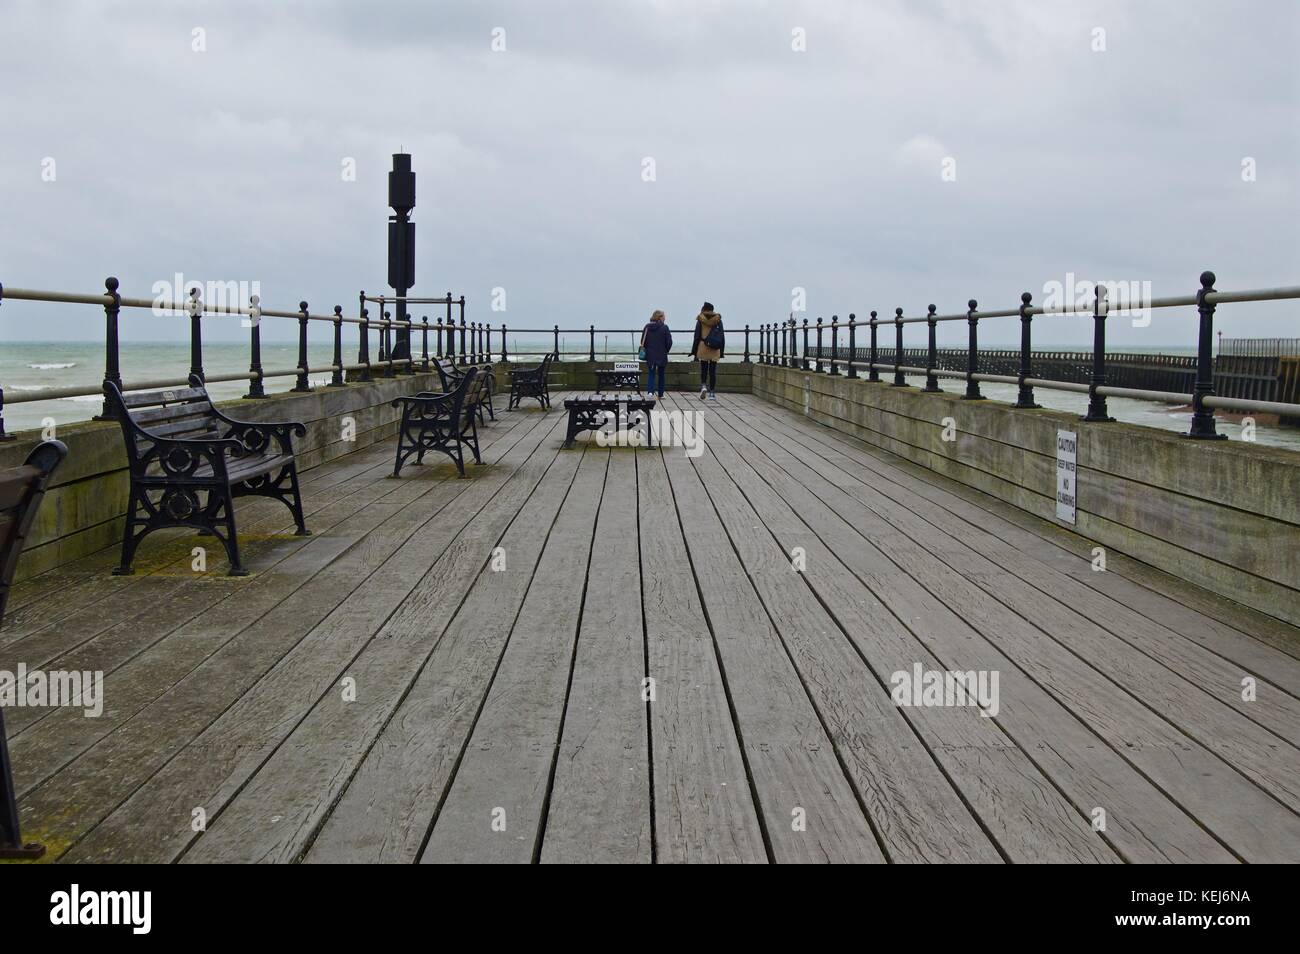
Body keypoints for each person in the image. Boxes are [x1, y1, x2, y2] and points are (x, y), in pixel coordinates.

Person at [691, 301, 723, 400]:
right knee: (712, 371)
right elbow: (721, 335)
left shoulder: (700, 319)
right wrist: (721, 351)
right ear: (712, 309)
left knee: (704, 368)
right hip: (714, 348)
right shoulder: (718, 319)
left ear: (704, 309)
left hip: (703, 346)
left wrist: (694, 350)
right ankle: (712, 393)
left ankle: (704, 386)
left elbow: (697, 336)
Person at [640, 309, 672, 397]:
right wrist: (666, 350)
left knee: (651, 374)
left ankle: (650, 392)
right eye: (664, 316)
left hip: (650, 354)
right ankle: (661, 394)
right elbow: (669, 342)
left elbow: (642, 341)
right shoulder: (665, 327)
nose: (665, 318)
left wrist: (648, 348)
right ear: (660, 317)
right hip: (661, 354)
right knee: (661, 375)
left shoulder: (647, 327)